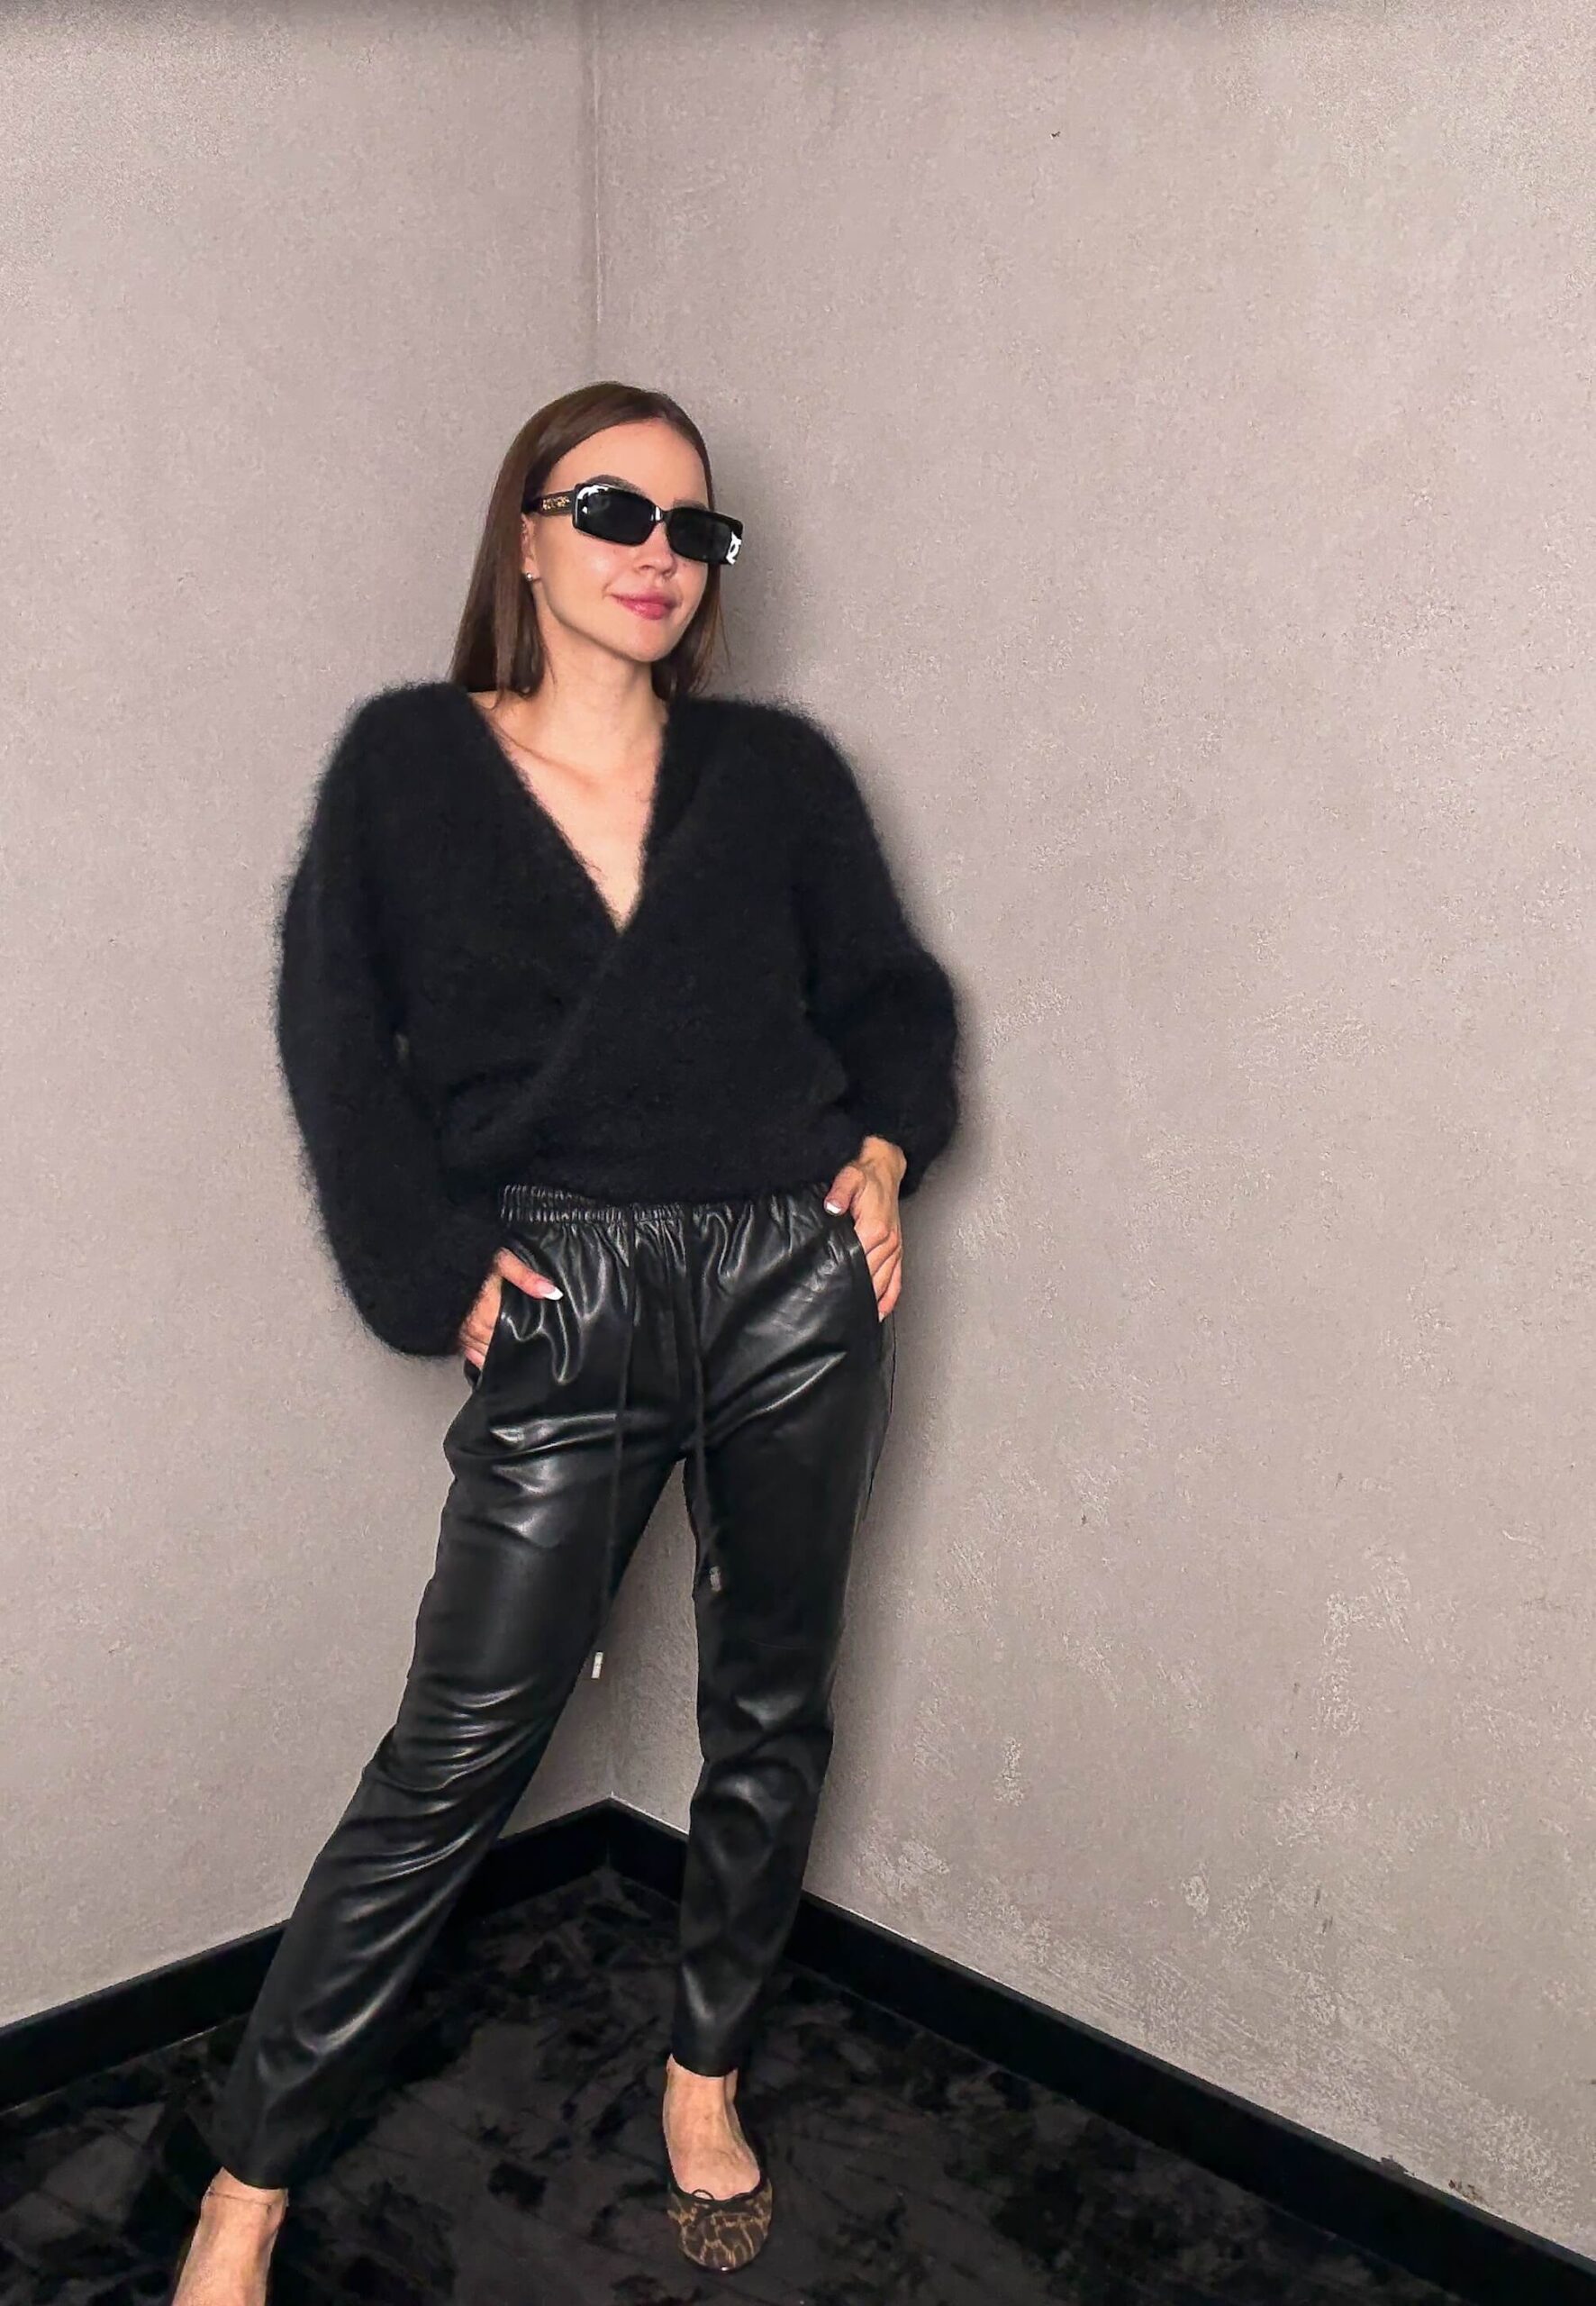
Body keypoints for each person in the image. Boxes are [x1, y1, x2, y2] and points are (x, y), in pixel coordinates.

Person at [164, 379, 961, 2296]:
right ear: (525, 533)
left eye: (696, 528)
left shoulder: (778, 774)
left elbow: (890, 996)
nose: (657, 556)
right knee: (456, 1750)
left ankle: (704, 2072)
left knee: (769, 1701)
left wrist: (880, 1154)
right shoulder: (408, 763)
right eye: (613, 510)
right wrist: (432, 1263)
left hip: (790, 1282)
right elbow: (332, 1033)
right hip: (569, 1291)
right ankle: (246, 2183)